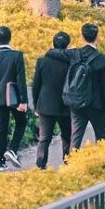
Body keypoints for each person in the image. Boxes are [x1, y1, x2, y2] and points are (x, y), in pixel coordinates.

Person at [0, 25, 29, 170]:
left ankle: (0, 162)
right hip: (14, 97)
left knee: (1, 129)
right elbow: (21, 79)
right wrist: (23, 100)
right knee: (21, 123)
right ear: (10, 38)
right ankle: (12, 149)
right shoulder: (17, 55)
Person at [67, 22, 105, 151]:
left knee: (75, 138)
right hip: (96, 105)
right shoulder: (103, 59)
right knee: (100, 137)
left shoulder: (74, 55)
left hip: (77, 103)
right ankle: (100, 164)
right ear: (97, 37)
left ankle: (71, 164)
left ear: (82, 37)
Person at [31, 31, 73, 169]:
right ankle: (68, 162)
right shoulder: (71, 62)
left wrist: (36, 105)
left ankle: (41, 165)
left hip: (45, 105)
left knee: (44, 138)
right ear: (67, 45)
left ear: (53, 43)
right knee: (67, 136)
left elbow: (36, 85)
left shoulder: (42, 61)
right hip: (65, 105)